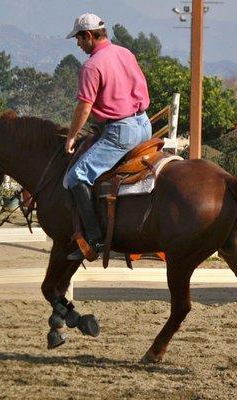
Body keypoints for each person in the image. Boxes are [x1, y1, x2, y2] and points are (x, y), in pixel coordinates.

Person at [64, 13, 152, 261]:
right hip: (144, 124)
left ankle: (95, 240)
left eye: (79, 38)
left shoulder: (91, 66)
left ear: (89, 36)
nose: (78, 44)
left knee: (75, 177)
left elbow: (84, 107)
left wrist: (71, 137)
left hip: (121, 131)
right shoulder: (125, 53)